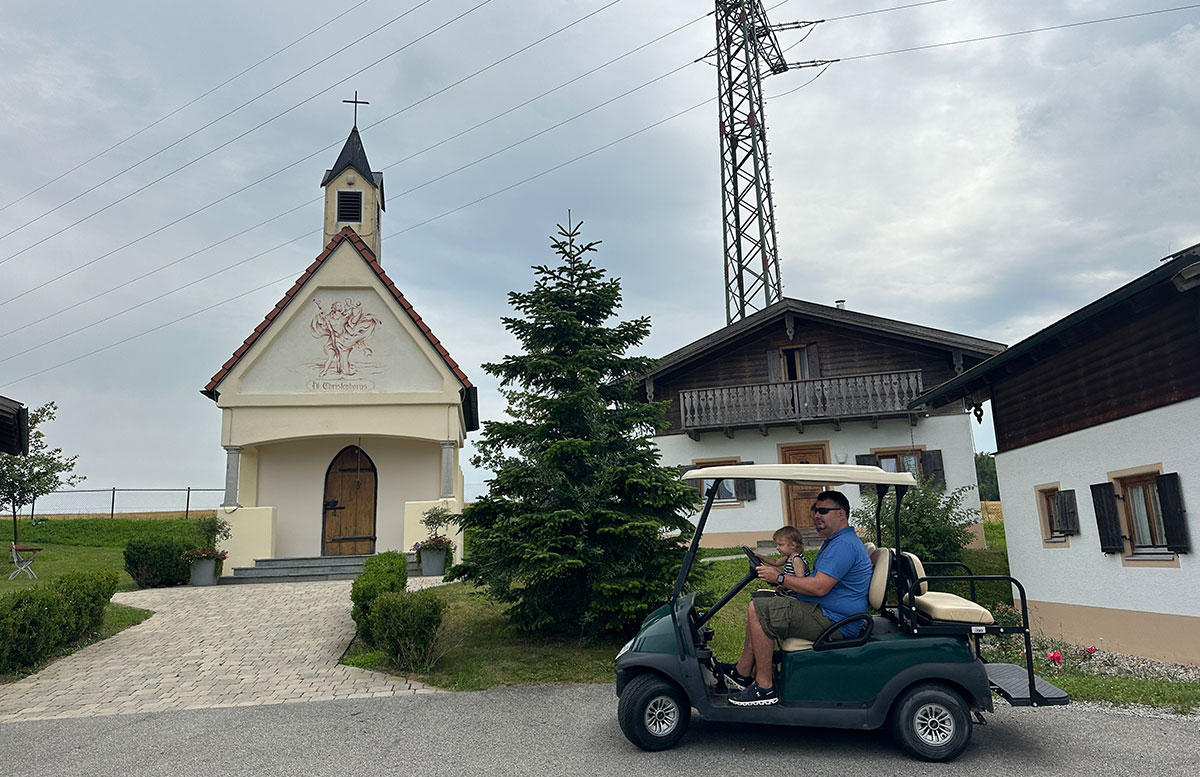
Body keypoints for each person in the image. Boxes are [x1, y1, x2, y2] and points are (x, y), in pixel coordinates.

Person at [715, 490, 873, 707]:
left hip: (835, 621)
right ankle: (742, 672)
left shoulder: (844, 545)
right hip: (826, 612)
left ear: (841, 514)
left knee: (758, 609)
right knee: (761, 601)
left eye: (823, 511)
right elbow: (816, 581)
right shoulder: (835, 541)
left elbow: (819, 587)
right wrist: (780, 581)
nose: (817, 516)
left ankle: (764, 687)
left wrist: (780, 576)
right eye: (815, 511)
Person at [752, 525, 809, 597]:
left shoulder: (797, 559)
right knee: (774, 569)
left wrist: (784, 585)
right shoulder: (788, 557)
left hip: (794, 596)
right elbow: (775, 562)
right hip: (787, 592)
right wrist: (761, 557)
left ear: (793, 545)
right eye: (777, 545)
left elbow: (800, 581)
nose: (777, 548)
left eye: (780, 545)